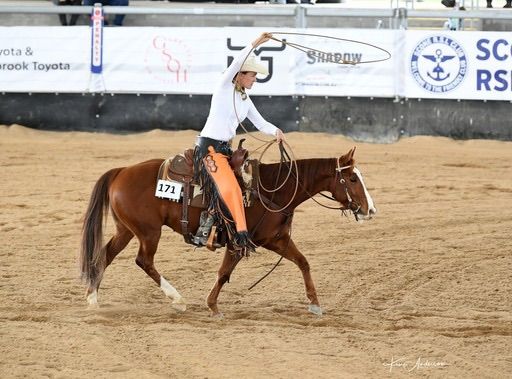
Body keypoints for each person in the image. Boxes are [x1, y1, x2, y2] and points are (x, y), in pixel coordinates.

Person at [192, 32, 285, 255]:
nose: (255, 79)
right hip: (210, 149)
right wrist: (256, 43)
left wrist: (276, 131)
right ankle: (241, 235)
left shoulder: (244, 98)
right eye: (252, 75)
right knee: (231, 188)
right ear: (240, 75)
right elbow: (235, 62)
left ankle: (218, 222)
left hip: (225, 149)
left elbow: (261, 122)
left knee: (247, 185)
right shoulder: (224, 86)